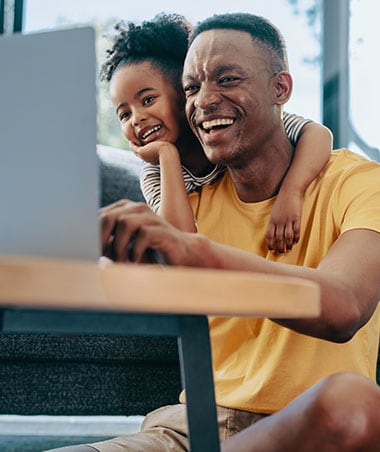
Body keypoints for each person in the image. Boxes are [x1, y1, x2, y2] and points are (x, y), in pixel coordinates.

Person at [48, 12, 380, 452]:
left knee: (351, 405)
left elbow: (346, 306)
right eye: (191, 88)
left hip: (307, 428)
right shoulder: (186, 198)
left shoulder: (356, 182)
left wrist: (191, 252)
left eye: (226, 79)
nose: (204, 101)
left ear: (281, 89)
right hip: (192, 426)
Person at [101, 13, 333, 254]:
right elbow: (178, 241)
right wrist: (166, 154)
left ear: (184, 95)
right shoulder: (155, 174)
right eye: (124, 114)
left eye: (148, 100)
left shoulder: (233, 132)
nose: (136, 119)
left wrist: (291, 191)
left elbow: (317, 134)